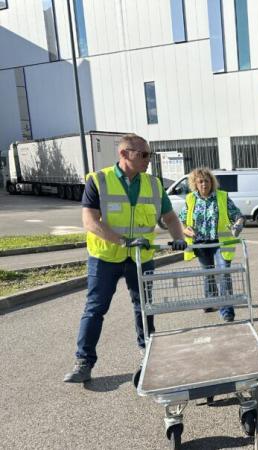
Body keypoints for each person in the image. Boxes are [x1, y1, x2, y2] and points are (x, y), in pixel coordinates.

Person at [63, 134, 188, 383]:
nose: (147, 160)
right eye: (143, 155)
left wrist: (179, 237)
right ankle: (83, 362)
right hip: (105, 257)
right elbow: (90, 221)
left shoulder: (153, 184)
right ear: (124, 154)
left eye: (149, 155)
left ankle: (148, 353)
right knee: (95, 308)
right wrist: (122, 241)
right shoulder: (99, 181)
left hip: (141, 257)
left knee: (144, 307)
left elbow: (170, 217)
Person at [178, 167, 244, 322]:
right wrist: (185, 230)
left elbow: (238, 215)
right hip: (200, 243)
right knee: (208, 274)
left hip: (220, 242)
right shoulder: (190, 199)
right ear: (195, 183)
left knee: (224, 274)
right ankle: (210, 302)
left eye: (206, 181)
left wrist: (238, 224)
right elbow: (181, 220)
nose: (204, 184)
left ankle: (226, 310)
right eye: (200, 181)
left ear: (212, 182)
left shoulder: (221, 196)